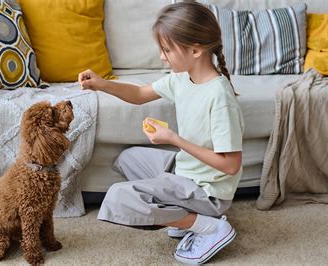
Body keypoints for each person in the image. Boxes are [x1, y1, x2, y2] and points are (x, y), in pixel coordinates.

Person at [78, 2, 244, 264]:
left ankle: (208, 226)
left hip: (207, 191)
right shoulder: (182, 78)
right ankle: (180, 215)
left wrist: (174, 139)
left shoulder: (219, 97)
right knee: (128, 158)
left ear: (196, 50)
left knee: (120, 197)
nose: (162, 56)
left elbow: (231, 165)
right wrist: (101, 84)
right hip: (186, 171)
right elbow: (141, 94)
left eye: (167, 49)